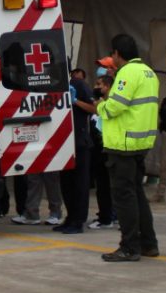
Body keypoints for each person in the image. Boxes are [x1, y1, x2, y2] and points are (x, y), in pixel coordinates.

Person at [96, 34, 160, 261]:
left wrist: (100, 107)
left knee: (124, 197)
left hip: (123, 144)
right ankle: (148, 243)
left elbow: (115, 106)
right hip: (140, 143)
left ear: (117, 53)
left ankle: (129, 246)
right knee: (137, 194)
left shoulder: (127, 73)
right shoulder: (149, 72)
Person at [55, 71, 96, 233]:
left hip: (79, 141)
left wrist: (76, 101)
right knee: (66, 184)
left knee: (80, 184)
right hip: (62, 143)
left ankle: (78, 221)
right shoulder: (53, 86)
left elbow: (95, 108)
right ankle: (70, 218)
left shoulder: (78, 85)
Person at [87, 73, 116, 229]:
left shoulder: (110, 105)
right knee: (103, 185)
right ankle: (109, 214)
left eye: (99, 85)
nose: (96, 87)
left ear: (108, 87)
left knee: (105, 185)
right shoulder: (99, 103)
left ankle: (107, 218)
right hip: (98, 150)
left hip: (105, 149)